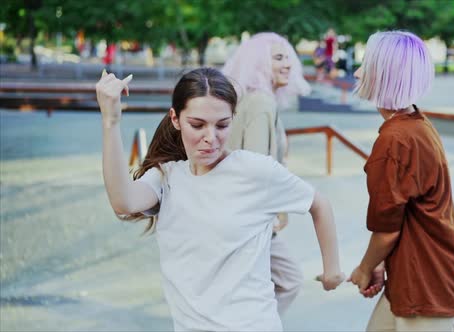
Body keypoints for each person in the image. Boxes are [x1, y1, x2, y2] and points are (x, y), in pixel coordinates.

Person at [96, 67, 345, 331]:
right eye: (197, 125)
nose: (210, 138)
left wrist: (332, 271)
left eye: (222, 125)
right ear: (175, 119)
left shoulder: (255, 170)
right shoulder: (166, 177)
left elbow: (319, 204)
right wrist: (110, 122)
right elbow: (123, 202)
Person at [347, 31, 454, 331]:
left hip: (426, 285)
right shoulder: (416, 124)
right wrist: (379, 263)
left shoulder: (395, 140)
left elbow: (387, 230)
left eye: (366, 63)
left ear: (382, 74)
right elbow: (397, 219)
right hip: (414, 278)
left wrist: (365, 269)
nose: (357, 71)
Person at [221, 32, 312, 317]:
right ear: (258, 63)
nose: (287, 64)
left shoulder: (249, 99)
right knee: (290, 279)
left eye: (288, 57)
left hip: (236, 212)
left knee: (248, 286)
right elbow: (258, 167)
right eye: (278, 58)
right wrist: (274, 211)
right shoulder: (261, 103)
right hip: (251, 217)